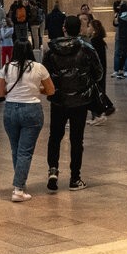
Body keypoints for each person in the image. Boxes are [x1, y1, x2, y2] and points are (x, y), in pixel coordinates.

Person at [0, 43, 54, 203]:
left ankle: (20, 183)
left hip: (10, 110)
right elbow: (51, 90)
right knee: (25, 151)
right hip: (32, 110)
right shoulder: (39, 67)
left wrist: (12, 90)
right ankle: (18, 189)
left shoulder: (5, 68)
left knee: (16, 149)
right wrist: (35, 89)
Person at [42, 31, 101, 192]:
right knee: (77, 140)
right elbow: (98, 72)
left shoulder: (51, 51)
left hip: (58, 100)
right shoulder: (86, 48)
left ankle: (53, 171)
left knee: (55, 137)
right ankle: (75, 178)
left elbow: (45, 75)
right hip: (80, 101)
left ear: (64, 29)